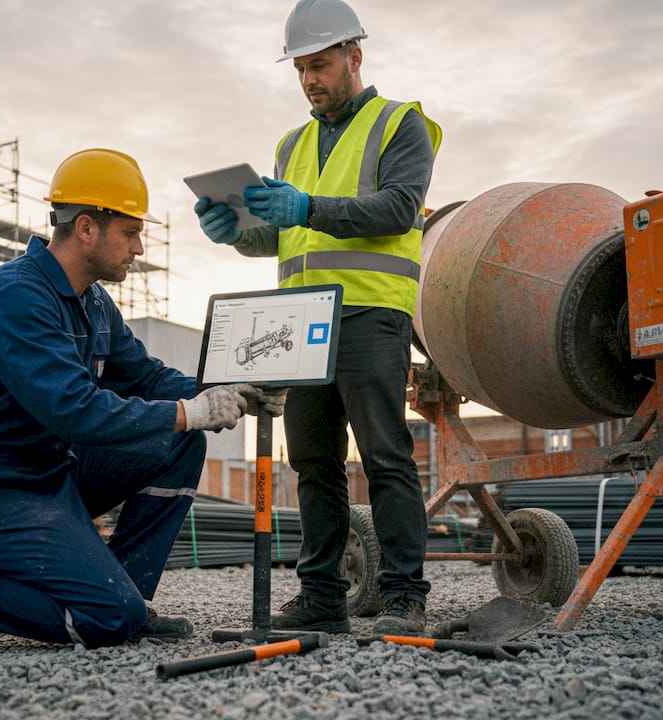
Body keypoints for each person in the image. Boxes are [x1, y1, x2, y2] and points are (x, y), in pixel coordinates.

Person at [0, 148, 282, 651]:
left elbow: (146, 377)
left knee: (180, 443)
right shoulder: (15, 296)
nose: (139, 247)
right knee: (104, 620)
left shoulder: (93, 302)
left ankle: (127, 601)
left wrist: (225, 394)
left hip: (47, 472)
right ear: (85, 228)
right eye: (130, 232)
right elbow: (73, 409)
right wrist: (192, 413)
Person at [194, 0, 442, 635]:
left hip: (369, 313)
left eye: (321, 64)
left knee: (386, 455)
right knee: (313, 462)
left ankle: (404, 595)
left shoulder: (400, 126)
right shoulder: (291, 144)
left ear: (354, 57)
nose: (310, 79)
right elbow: (286, 235)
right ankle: (323, 596)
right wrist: (237, 235)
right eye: (301, 68)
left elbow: (396, 209)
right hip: (302, 321)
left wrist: (304, 207)